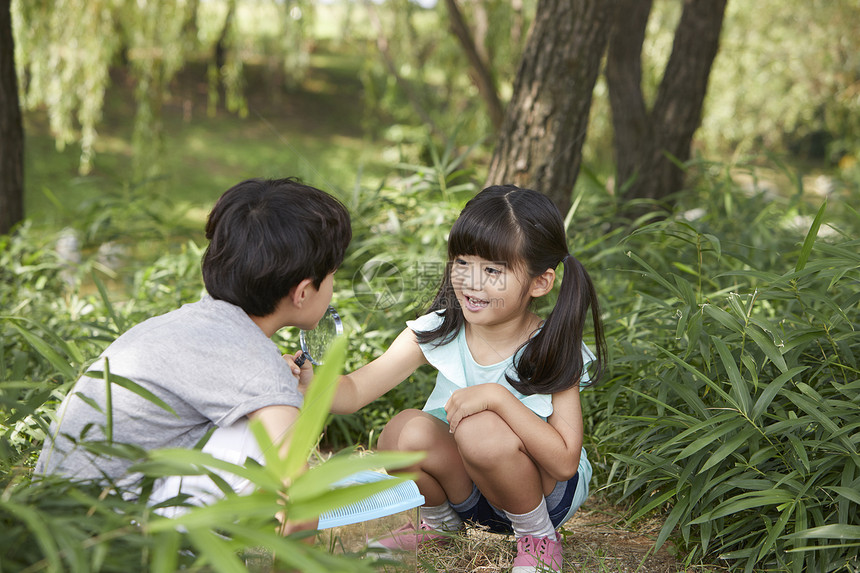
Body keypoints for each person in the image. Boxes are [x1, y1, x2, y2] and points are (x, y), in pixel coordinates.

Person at [295, 185, 606, 572]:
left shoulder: (552, 345)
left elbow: (563, 463)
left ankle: (538, 539)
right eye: (462, 263)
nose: (472, 282)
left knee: (482, 428)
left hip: (544, 495)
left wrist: (497, 397)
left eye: (493, 271)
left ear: (540, 283)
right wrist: (312, 385)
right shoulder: (439, 329)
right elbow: (356, 390)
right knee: (401, 431)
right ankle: (441, 525)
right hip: (470, 492)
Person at [36, 177, 351, 525]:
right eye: (333, 275)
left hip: (51, 515)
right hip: (104, 532)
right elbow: (301, 503)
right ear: (304, 292)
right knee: (258, 435)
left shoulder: (189, 324)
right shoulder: (256, 366)